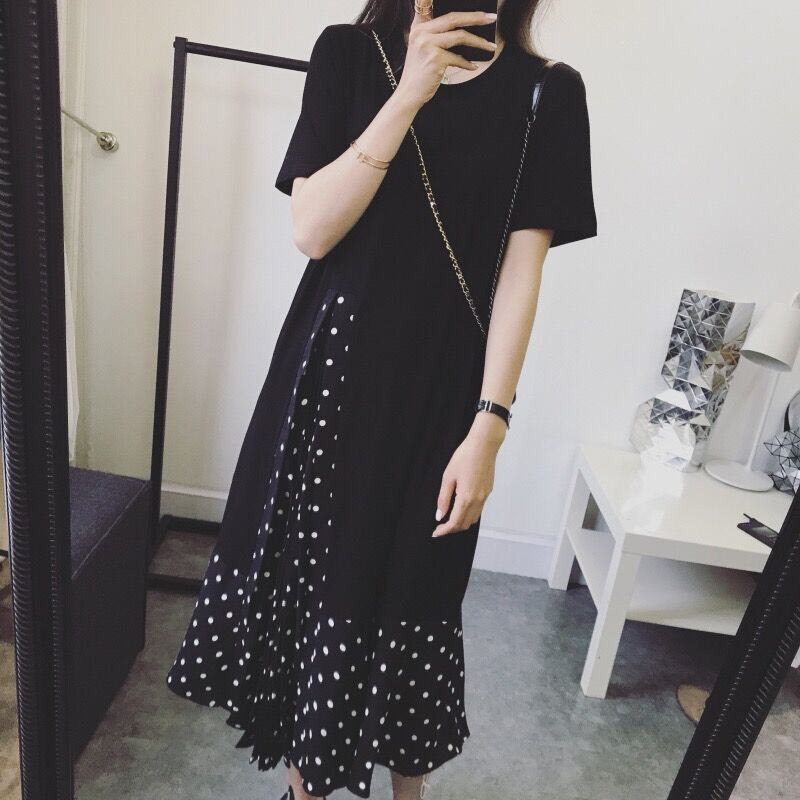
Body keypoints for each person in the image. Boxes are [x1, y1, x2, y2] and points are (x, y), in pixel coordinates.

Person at [166, 1, 597, 798]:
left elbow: (521, 272)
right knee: (318, 592)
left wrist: (490, 426)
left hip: (444, 402)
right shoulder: (349, 54)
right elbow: (313, 230)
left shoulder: (549, 93)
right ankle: (304, 787)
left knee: (417, 602)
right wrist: (409, 93)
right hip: (327, 382)